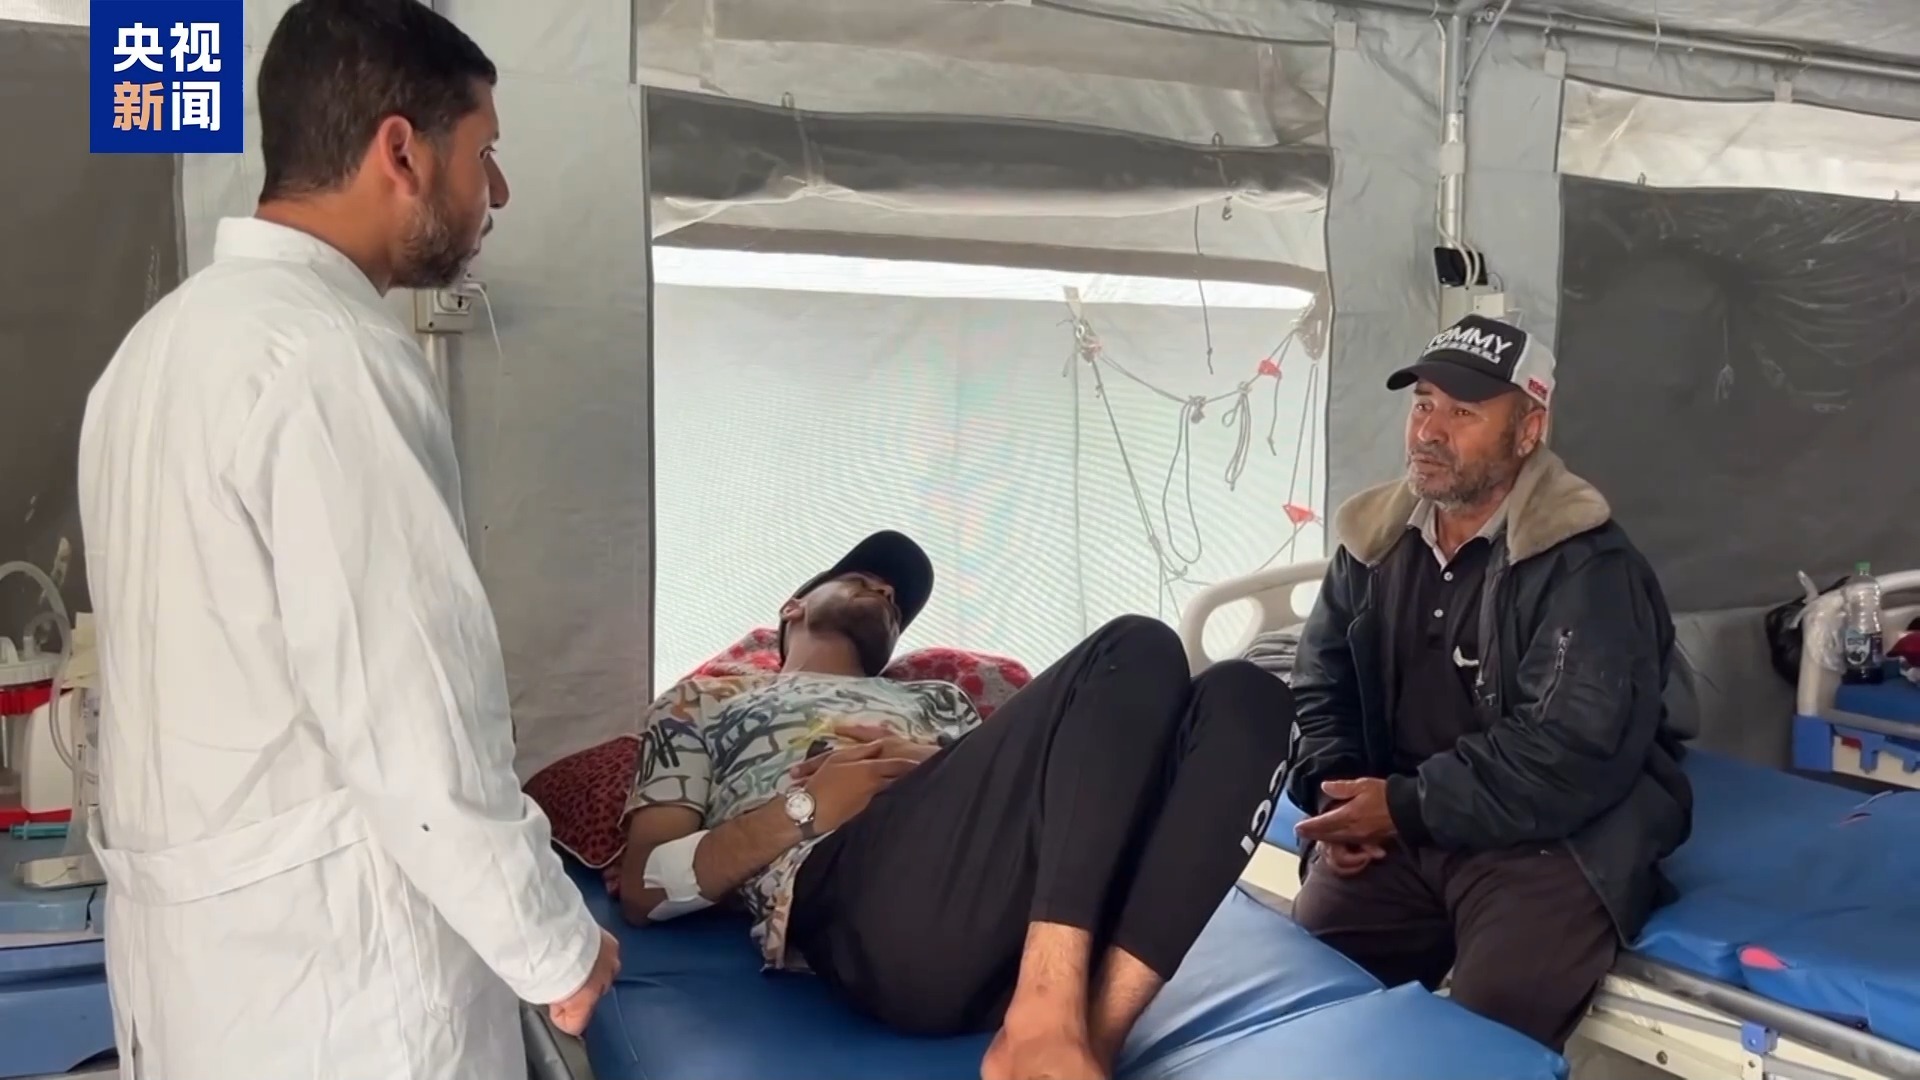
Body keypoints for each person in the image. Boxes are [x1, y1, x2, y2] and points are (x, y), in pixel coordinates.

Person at [75, 3, 616, 1078]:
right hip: (341, 991)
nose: (499, 191)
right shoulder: (331, 360)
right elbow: (416, 721)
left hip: (203, 987)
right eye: (485, 152)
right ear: (401, 152)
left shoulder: (152, 353)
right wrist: (555, 946)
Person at [618, 530, 1293, 1080]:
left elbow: (1028, 788)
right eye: (864, 578)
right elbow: (645, 886)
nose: (886, 592)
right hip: (878, 912)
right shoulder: (706, 701)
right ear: (793, 607)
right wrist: (807, 807)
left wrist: (930, 761)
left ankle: (1082, 1044)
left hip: (1048, 904)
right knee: (1136, 643)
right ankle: (1044, 1018)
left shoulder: (937, 698)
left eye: (896, 604)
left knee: (1250, 697)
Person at [1283, 315, 1694, 1050]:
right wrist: (1338, 794)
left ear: (1529, 430)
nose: (1429, 432)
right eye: (1423, 405)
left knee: (1480, 1043)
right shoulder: (1373, 543)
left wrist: (1401, 807)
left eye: (1464, 412)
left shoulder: (1587, 566)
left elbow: (1569, 753)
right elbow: (1322, 683)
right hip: (1404, 826)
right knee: (1304, 998)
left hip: (1549, 841)